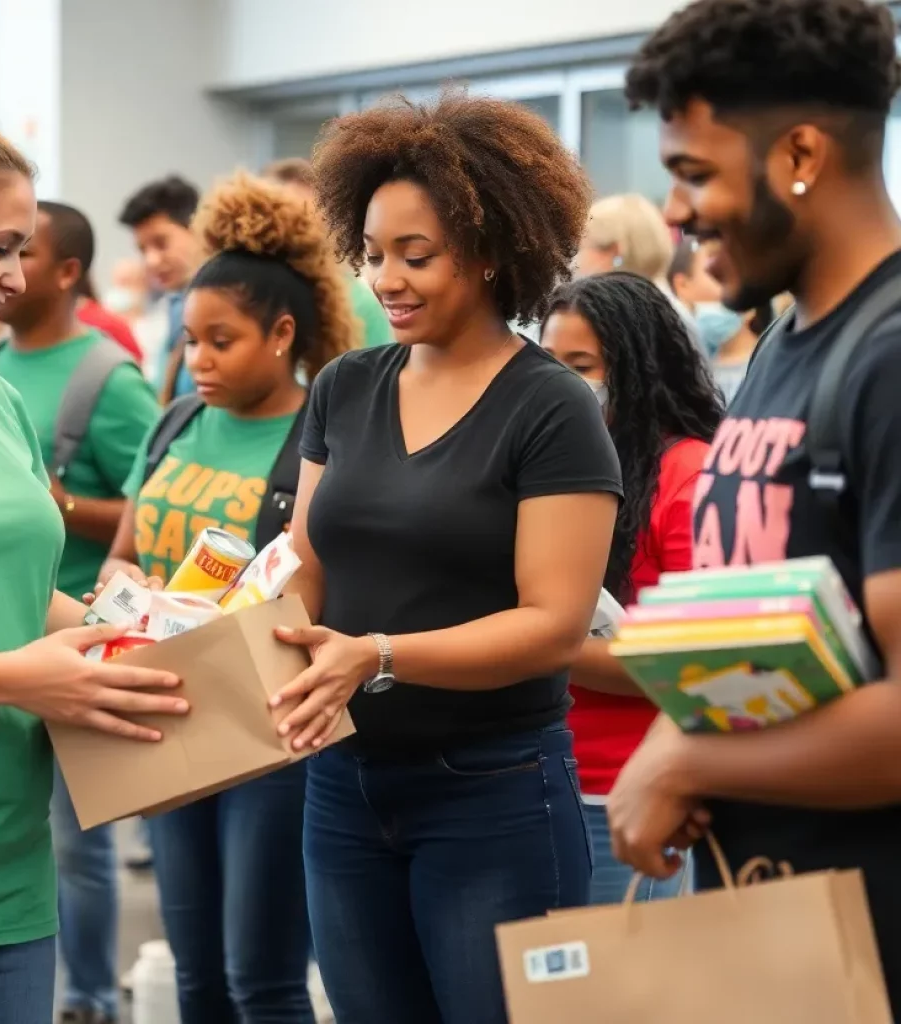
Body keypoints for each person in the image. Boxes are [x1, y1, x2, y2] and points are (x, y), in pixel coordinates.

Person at [266, 90, 622, 1024]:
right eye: (375, 255)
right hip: (342, 783)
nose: (387, 279)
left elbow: (550, 627)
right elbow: (306, 558)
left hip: (494, 792)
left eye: (415, 257)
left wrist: (377, 654)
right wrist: (254, 629)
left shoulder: (551, 408)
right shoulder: (345, 386)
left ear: (495, 248)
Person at [0, 51, 187, 1024]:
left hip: (4, 873)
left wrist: (134, 632)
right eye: (1, 247)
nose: (19, 277)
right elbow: (7, 649)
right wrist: (17, 677)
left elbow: (12, 593)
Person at [608, 0, 901, 1012]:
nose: (676, 211)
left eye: (694, 173)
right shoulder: (782, 343)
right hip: (772, 927)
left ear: (802, 154)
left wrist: (686, 754)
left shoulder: (888, 358)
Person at [101, 172, 356, 1024]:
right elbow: (123, 554)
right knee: (196, 976)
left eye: (223, 341)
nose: (199, 361)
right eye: (191, 340)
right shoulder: (174, 421)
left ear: (284, 333)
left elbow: (320, 590)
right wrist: (125, 589)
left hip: (263, 729)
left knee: (263, 978)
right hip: (165, 711)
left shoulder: (318, 440)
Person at [0, 200, 161, 1024]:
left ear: (63, 273)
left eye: (23, 250)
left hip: (77, 640)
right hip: (4, 652)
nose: (9, 271)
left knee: (80, 845)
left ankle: (89, 997)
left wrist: (67, 506)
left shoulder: (106, 378)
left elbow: (148, 502)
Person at [540, 271, 724, 904]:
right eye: (548, 362)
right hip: (538, 781)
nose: (560, 384)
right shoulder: (542, 471)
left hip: (624, 790)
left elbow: (691, 665)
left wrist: (533, 639)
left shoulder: (687, 478)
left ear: (637, 368)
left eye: (581, 365)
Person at [263, 157, 394, 351]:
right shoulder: (246, 294)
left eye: (305, 218)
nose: (290, 230)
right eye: (277, 215)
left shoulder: (359, 307)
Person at [119, 174, 201, 401]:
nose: (151, 261)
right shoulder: (173, 307)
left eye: (161, 243)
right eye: (143, 250)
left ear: (197, 228)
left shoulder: (232, 302)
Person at [577, 192, 700, 340]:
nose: (577, 260)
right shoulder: (670, 308)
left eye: (583, 247)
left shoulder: (627, 318)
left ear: (615, 252)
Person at [75, 272, 145, 364]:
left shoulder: (107, 322)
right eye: (120, 281)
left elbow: (135, 362)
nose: (121, 288)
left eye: (127, 282)